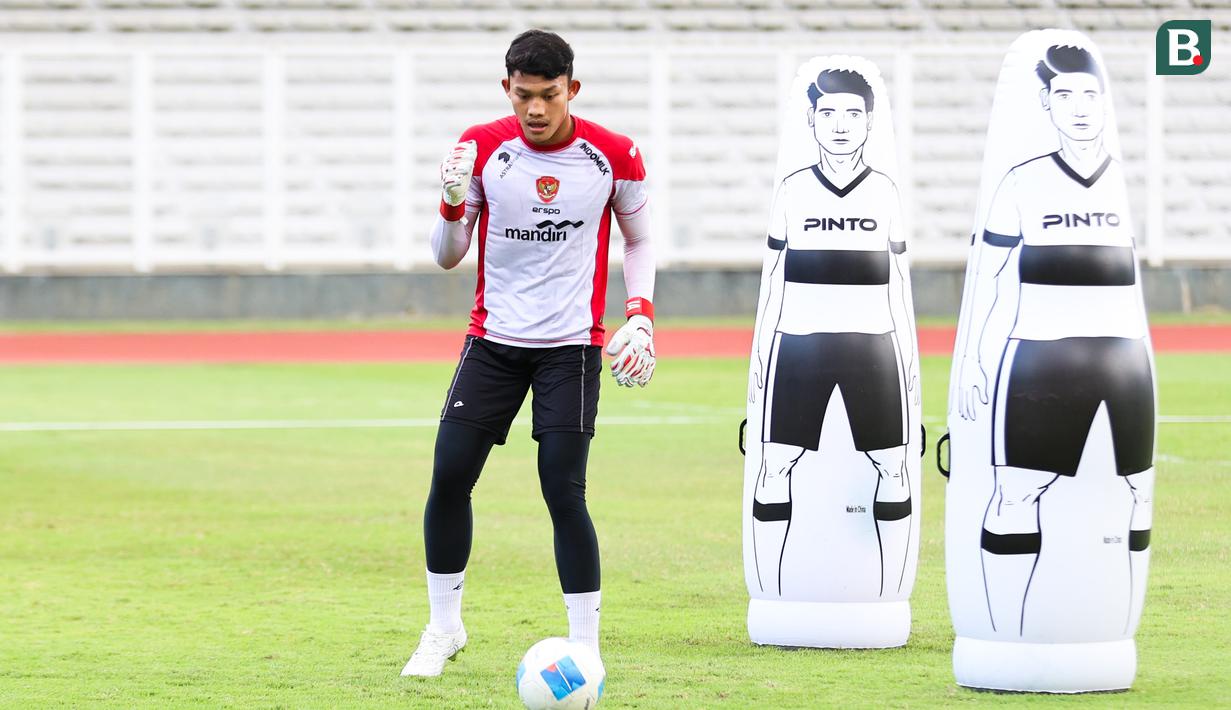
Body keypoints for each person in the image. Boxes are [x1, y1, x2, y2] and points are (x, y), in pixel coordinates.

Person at [401, 29, 657, 677]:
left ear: (572, 89)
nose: (535, 109)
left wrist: (641, 318)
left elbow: (639, 242)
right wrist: (451, 200)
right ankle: (443, 627)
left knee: (562, 491)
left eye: (548, 95)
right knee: (449, 476)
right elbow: (446, 256)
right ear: (505, 89)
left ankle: (586, 649)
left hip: (569, 348)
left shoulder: (614, 155)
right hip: (492, 342)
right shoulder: (482, 148)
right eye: (523, 96)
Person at [956, 44, 1153, 636]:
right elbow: (988, 281)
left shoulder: (1127, 183)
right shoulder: (1022, 184)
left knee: (1137, 493)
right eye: (1064, 94)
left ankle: (1113, 629)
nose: (1080, 107)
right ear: (1045, 103)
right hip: (1038, 365)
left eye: (1090, 94)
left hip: (1124, 366)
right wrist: (973, 360)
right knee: (1015, 494)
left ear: (1105, 102)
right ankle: (1003, 634)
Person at [748, 68, 917, 599]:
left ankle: (889, 588)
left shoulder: (885, 192)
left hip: (873, 349)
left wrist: (907, 355)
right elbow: (774, 276)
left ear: (868, 122)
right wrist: (762, 350)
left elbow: (898, 284)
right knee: (775, 465)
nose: (840, 125)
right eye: (828, 113)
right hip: (799, 348)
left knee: (893, 468)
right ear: (811, 121)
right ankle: (772, 589)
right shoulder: (794, 191)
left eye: (852, 114)